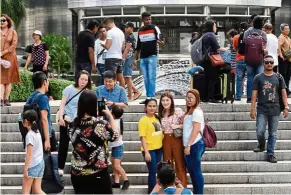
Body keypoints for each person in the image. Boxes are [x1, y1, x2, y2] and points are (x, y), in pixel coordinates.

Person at [69, 90, 118, 194]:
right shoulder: (101, 125)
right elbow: (115, 136)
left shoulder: (73, 125)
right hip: (98, 173)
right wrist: (110, 117)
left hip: (77, 173)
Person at [250, 55, 289, 163]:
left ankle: (270, 154)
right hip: (262, 108)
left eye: (271, 62)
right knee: (260, 131)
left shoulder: (278, 77)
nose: (269, 64)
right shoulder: (258, 77)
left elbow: (283, 92)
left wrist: (286, 106)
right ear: (263, 63)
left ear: (273, 64)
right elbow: (254, 94)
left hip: (275, 109)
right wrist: (252, 108)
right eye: (267, 62)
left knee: (273, 133)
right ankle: (262, 144)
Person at [57, 70, 92, 176]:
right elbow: (62, 104)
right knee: (63, 143)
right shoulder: (69, 89)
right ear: (77, 78)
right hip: (67, 119)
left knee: (80, 145)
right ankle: (60, 167)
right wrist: (60, 117)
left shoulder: (87, 92)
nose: (83, 81)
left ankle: (80, 166)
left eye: (86, 80)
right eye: (82, 79)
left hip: (79, 122)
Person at [134, 11, 164, 104]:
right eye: (146, 19)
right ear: (142, 20)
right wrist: (135, 59)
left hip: (152, 56)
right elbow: (138, 46)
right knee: (145, 78)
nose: (148, 21)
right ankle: (148, 97)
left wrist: (161, 43)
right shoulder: (140, 30)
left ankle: (152, 97)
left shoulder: (154, 28)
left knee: (151, 77)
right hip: (143, 58)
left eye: (149, 19)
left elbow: (161, 41)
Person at [158, 92, 187, 187]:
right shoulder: (161, 113)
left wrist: (176, 126)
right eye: (163, 100)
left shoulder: (177, 111)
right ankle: (169, 188)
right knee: (167, 165)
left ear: (171, 101)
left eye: (167, 100)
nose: (165, 102)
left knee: (179, 164)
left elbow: (186, 124)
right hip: (165, 139)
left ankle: (182, 188)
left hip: (176, 138)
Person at [26, 71, 57, 152]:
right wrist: (47, 140)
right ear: (44, 82)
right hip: (42, 135)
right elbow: (44, 119)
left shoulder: (31, 96)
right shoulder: (43, 98)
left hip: (34, 133)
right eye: (47, 81)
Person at [183, 89, 205, 194]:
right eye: (187, 98)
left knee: (196, 172)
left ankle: (199, 192)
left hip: (194, 144)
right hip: (190, 144)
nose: (189, 100)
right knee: (192, 172)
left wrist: (188, 145)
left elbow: (196, 130)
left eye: (191, 98)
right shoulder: (190, 111)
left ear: (197, 99)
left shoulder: (197, 111)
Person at [138, 99, 163, 194]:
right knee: (152, 172)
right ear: (145, 107)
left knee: (157, 172)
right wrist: (147, 152)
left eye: (154, 106)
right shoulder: (143, 120)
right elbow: (142, 137)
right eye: (149, 106)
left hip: (159, 149)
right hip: (149, 150)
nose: (152, 108)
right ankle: (151, 192)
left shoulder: (157, 118)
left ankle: (157, 190)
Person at [201, 20, 228, 103]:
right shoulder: (211, 35)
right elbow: (217, 48)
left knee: (207, 78)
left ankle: (205, 97)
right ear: (211, 27)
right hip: (212, 60)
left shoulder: (204, 35)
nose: (216, 28)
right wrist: (227, 48)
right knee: (213, 78)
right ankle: (211, 97)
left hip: (205, 60)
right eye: (215, 26)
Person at [243, 16, 267, 103]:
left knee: (250, 78)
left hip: (248, 59)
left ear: (253, 23)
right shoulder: (263, 34)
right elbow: (264, 48)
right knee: (260, 78)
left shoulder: (247, 32)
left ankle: (249, 97)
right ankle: (260, 97)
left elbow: (244, 44)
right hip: (259, 59)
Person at [21, 110, 45, 194]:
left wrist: (25, 170)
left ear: (26, 121)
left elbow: (29, 155)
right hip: (40, 163)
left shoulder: (30, 135)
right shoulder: (37, 132)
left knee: (25, 192)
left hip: (32, 166)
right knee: (37, 190)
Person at [1, 14, 20, 106]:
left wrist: (3, 52)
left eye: (3, 20)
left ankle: (6, 99)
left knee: (8, 80)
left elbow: (13, 45)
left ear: (8, 21)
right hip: (0, 58)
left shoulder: (13, 32)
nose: (1, 22)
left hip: (10, 58)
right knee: (1, 79)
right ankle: (0, 100)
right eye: (0, 20)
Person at [109, 105, 130, 190]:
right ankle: (117, 182)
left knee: (117, 166)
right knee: (114, 165)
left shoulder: (115, 122)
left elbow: (115, 136)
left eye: (111, 111)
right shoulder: (117, 120)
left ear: (113, 114)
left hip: (118, 147)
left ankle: (126, 180)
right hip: (116, 147)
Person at [102, 18, 125, 87]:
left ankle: (111, 95)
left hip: (111, 58)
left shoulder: (110, 32)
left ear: (108, 24)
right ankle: (122, 93)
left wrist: (103, 45)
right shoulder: (121, 32)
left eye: (106, 26)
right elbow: (123, 47)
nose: (106, 28)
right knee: (120, 77)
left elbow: (107, 46)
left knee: (110, 77)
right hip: (119, 57)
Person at [122, 22, 142, 101]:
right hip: (129, 58)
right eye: (125, 28)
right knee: (126, 77)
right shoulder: (130, 36)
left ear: (131, 28)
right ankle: (136, 92)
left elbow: (128, 48)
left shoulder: (130, 36)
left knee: (128, 77)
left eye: (127, 28)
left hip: (128, 58)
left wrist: (123, 58)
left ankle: (130, 96)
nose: (126, 29)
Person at [233, 22, 249, 101]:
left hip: (239, 59)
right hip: (249, 59)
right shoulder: (250, 36)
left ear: (239, 28)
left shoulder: (236, 37)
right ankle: (249, 97)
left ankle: (238, 96)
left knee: (239, 78)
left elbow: (235, 48)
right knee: (250, 78)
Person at [278, 23, 291, 97]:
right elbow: (278, 47)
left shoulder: (288, 38)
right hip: (283, 59)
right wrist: (280, 55)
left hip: (288, 59)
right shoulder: (281, 37)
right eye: (286, 29)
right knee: (283, 74)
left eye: (288, 28)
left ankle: (287, 89)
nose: (288, 30)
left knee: (288, 75)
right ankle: (283, 90)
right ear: (282, 30)